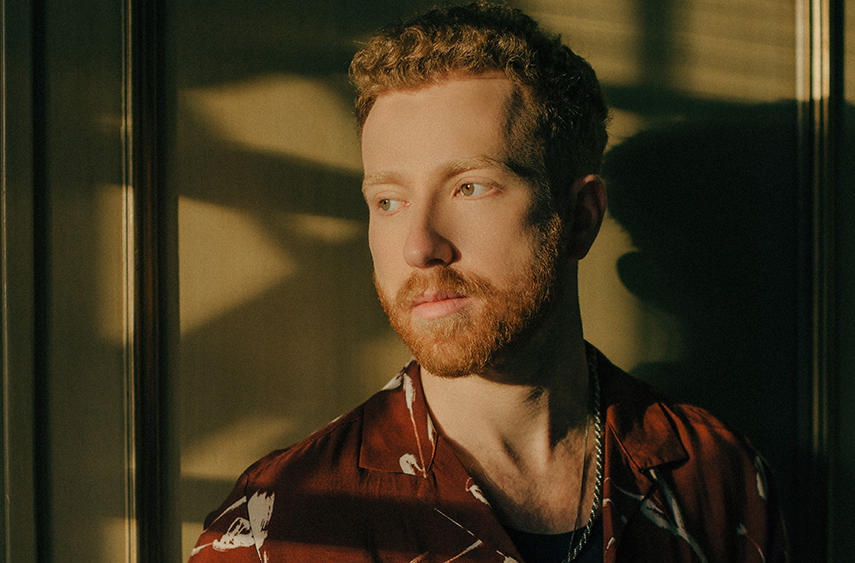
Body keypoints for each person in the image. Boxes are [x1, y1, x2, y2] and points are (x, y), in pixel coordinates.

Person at [188, 2, 787, 562]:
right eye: (389, 200)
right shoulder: (278, 525)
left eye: (469, 187)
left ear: (580, 217)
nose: (420, 247)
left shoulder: (716, 476)